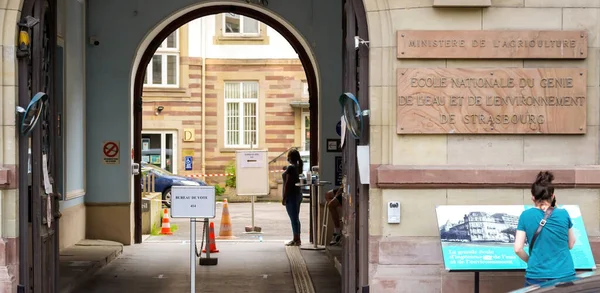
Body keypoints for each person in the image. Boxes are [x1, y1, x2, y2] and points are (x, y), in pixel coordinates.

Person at [514, 171, 576, 287]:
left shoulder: (525, 216)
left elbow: (518, 249)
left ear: (533, 197)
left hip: (536, 275)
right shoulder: (563, 214)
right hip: (564, 274)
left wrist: (531, 261)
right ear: (553, 196)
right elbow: (571, 243)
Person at [282, 149, 304, 246]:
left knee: (293, 218)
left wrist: (284, 197)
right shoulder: (298, 167)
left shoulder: (291, 168)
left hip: (291, 196)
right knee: (296, 218)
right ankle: (297, 238)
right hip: (298, 194)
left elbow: (288, 184)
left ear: (290, 157)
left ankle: (296, 239)